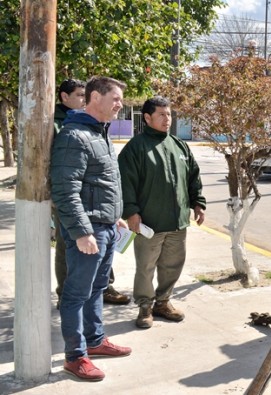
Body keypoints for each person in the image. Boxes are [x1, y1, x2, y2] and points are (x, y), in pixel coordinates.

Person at [51, 76, 132, 382]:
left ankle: (95, 341)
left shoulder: (100, 134)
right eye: (115, 98)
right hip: (89, 231)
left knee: (98, 288)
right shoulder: (75, 136)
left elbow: (102, 184)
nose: (120, 104)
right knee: (75, 295)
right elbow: (65, 190)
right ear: (95, 97)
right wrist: (82, 231)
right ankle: (75, 357)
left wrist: (115, 217)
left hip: (107, 226)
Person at [118, 96, 206, 329]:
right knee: (145, 268)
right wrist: (131, 213)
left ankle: (163, 302)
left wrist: (198, 202)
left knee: (173, 266)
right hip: (149, 224)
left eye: (169, 114)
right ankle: (145, 307)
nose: (167, 119)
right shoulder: (135, 148)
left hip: (177, 223)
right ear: (147, 118)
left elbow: (193, 177)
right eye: (161, 115)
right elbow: (126, 183)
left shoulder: (179, 145)